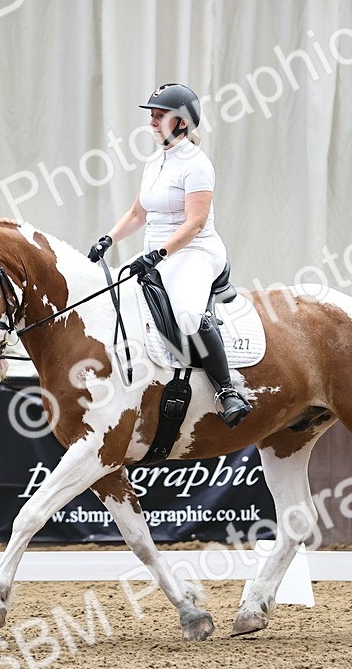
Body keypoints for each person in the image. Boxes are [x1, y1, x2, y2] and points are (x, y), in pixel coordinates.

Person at [87, 83, 252, 428]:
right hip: (158, 254)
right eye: (152, 115)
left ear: (180, 122)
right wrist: (108, 239)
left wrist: (159, 254)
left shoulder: (197, 165)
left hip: (193, 253)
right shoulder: (156, 162)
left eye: (159, 116)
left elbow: (195, 223)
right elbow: (137, 214)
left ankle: (227, 391)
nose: (151, 122)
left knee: (190, 315)